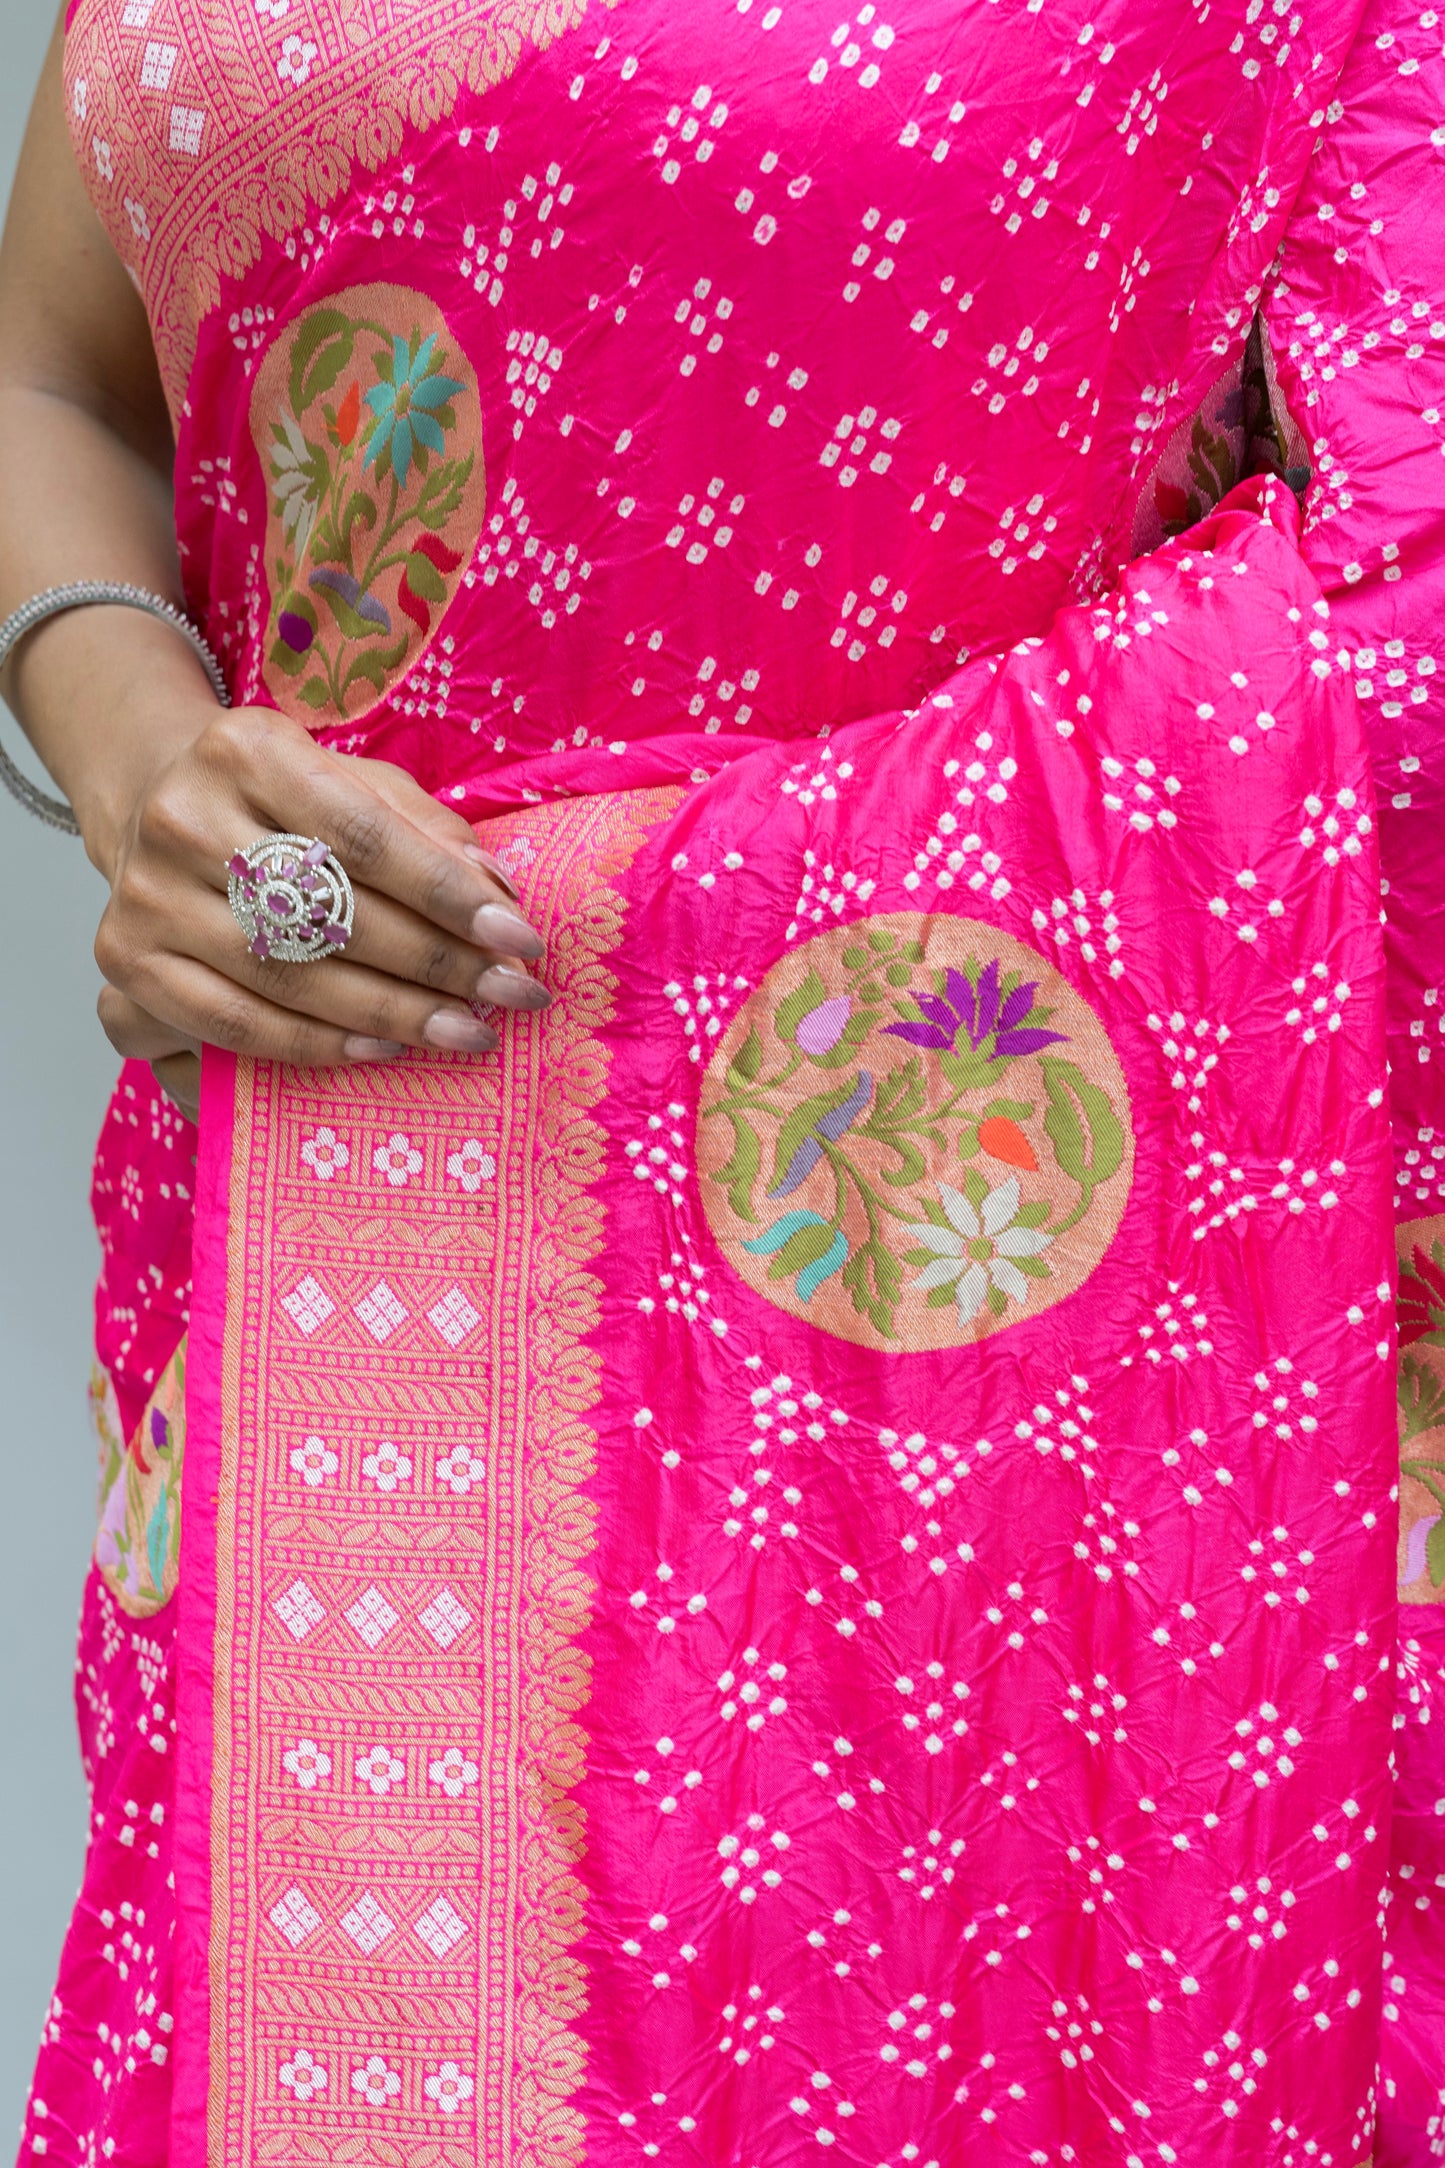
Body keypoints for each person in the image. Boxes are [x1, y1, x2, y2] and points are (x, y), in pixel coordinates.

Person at [0, 1, 1440, 2161]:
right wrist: (140, 764)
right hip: (302, 1307)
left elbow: (1395, 563)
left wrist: (635, 930)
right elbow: (56, 371)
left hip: (936, 1366)